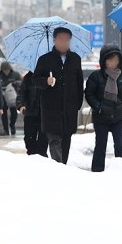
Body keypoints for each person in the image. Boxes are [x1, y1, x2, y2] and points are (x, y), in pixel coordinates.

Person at [33, 27, 84, 164]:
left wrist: (77, 103)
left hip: (69, 108)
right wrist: (45, 81)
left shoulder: (75, 59)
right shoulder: (45, 60)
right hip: (51, 108)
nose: (63, 42)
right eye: (60, 39)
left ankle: (63, 166)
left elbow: (79, 82)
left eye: (66, 39)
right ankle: (58, 167)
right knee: (54, 140)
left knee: (66, 141)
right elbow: (35, 80)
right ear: (54, 40)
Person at [85, 44, 122, 172]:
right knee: (100, 146)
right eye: (110, 60)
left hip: (119, 115)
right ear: (103, 61)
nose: (113, 62)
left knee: (120, 146)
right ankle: (97, 172)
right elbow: (89, 93)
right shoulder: (96, 76)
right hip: (101, 116)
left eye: (116, 59)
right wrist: (98, 107)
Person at [16, 70, 47, 157]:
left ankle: (42, 156)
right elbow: (21, 92)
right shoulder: (28, 77)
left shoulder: (48, 77)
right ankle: (32, 155)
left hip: (44, 113)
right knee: (29, 138)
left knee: (43, 139)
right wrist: (20, 105)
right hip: (30, 112)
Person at [0, 61, 21, 137]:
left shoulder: (16, 75)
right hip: (2, 96)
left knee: (14, 112)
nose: (6, 72)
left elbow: (21, 84)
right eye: (4, 70)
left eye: (7, 70)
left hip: (12, 96)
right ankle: (6, 129)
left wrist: (15, 84)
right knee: (4, 112)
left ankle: (12, 125)